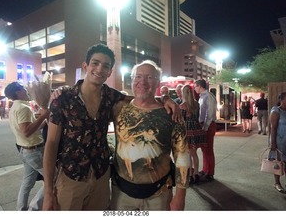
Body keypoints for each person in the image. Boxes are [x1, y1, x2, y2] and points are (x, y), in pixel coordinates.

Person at [42, 44, 179, 210]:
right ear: (85, 66)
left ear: (109, 72)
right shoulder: (63, 99)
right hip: (71, 178)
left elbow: (140, 98)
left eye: (105, 66)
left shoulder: (110, 96)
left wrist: (165, 98)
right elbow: (51, 144)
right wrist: (48, 192)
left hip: (101, 176)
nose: (99, 69)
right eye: (95, 63)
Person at [110, 60, 190, 211]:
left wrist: (180, 196)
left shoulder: (171, 114)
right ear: (132, 80)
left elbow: (182, 156)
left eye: (150, 77)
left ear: (158, 82)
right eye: (138, 77)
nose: (143, 82)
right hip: (121, 194)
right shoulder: (118, 108)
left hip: (159, 195)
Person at [4, 81, 50, 211]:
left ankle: (21, 209)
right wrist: (43, 116)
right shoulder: (24, 108)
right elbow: (26, 132)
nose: (27, 91)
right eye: (24, 89)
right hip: (34, 151)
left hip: (25, 150)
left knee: (27, 182)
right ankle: (33, 209)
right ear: (18, 92)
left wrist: (42, 122)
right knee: (53, 178)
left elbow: (31, 129)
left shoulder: (15, 107)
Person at [179, 84, 207, 185]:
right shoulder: (196, 104)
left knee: (188, 155)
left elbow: (182, 121)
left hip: (188, 130)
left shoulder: (183, 105)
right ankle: (196, 174)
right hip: (197, 129)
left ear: (183, 93)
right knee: (194, 154)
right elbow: (198, 117)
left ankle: (190, 175)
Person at [194, 79, 217, 182]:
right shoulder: (202, 97)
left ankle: (210, 172)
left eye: (195, 86)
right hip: (203, 124)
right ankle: (205, 169)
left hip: (208, 125)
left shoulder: (208, 97)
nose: (195, 89)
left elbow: (210, 113)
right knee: (204, 148)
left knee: (208, 149)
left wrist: (205, 127)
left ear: (200, 86)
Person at [269, 92, 286, 193]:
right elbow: (273, 128)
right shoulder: (276, 110)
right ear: (281, 100)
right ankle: (277, 183)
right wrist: (273, 143)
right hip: (280, 141)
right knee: (278, 163)